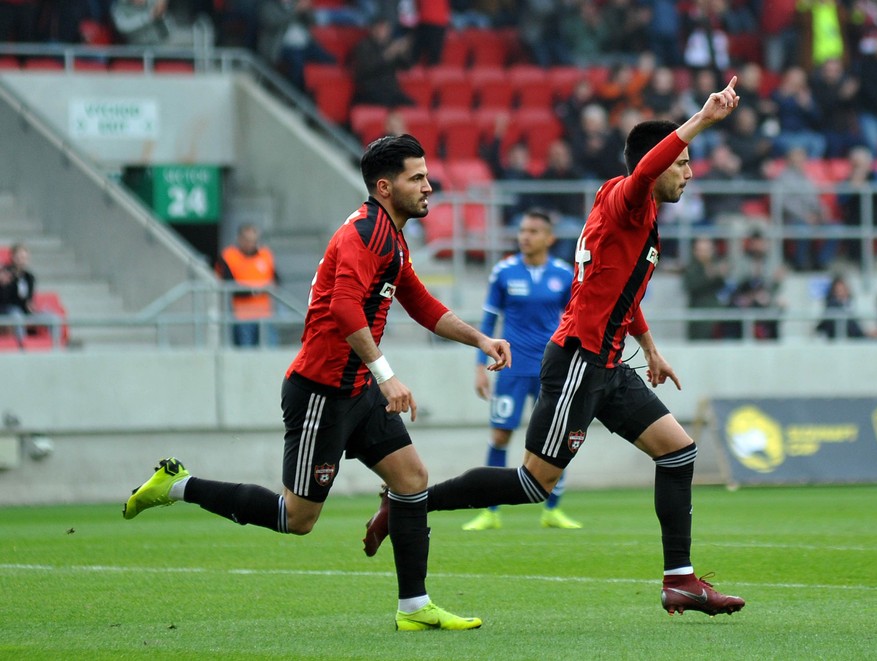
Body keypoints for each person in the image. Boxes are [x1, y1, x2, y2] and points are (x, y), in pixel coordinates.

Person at [363, 77, 747, 617]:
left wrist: (650, 346)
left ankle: (679, 580)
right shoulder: (628, 196)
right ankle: (407, 500)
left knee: (678, 451)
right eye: (683, 164)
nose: (688, 173)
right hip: (579, 361)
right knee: (531, 483)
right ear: (657, 165)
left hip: (610, 363)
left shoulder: (636, 214)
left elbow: (620, 289)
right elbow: (646, 173)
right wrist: (701, 120)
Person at [123, 134, 512, 631]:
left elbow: (421, 304)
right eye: (417, 177)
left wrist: (481, 340)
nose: (429, 186)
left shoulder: (391, 237)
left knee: (412, 481)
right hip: (321, 394)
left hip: (358, 389)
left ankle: (414, 607)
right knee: (297, 518)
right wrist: (388, 377)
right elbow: (342, 307)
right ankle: (177, 485)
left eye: (426, 176)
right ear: (384, 186)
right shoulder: (363, 234)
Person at [464, 210, 582, 532]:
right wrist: (479, 366)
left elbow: (576, 320)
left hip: (551, 370)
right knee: (501, 435)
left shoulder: (563, 274)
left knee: (556, 440)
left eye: (533, 231)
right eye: (522, 230)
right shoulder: (503, 272)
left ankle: (552, 510)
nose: (525, 236)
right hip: (511, 370)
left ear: (549, 238)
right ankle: (491, 511)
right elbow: (488, 322)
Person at [775, 145, 839, 271]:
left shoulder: (807, 178)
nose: (800, 162)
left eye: (802, 159)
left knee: (836, 228)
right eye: (796, 159)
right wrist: (804, 216)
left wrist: (823, 211)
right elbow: (784, 204)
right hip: (792, 220)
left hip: (812, 218)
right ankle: (801, 263)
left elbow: (814, 200)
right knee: (802, 228)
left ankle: (822, 262)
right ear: (789, 160)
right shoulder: (781, 179)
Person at [216, 223, 280, 347]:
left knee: (270, 349)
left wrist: (262, 289)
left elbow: (276, 279)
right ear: (239, 239)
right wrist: (254, 291)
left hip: (265, 314)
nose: (250, 244)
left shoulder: (265, 255)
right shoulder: (229, 256)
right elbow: (228, 284)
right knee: (246, 352)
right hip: (242, 315)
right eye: (247, 240)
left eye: (253, 240)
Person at [349, 14, 414, 108]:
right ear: (372, 29)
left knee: (412, 108)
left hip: (391, 91)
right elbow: (366, 69)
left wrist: (403, 52)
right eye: (380, 28)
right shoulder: (363, 46)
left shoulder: (390, 44)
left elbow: (407, 66)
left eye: (385, 28)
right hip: (370, 91)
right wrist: (388, 54)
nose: (383, 31)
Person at [682, 236, 730, 340]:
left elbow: (724, 287)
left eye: (707, 250)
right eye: (701, 250)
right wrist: (709, 276)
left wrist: (721, 275)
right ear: (695, 251)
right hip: (699, 317)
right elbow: (690, 286)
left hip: (718, 317)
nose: (704, 253)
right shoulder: (691, 268)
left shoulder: (716, 265)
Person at [815, 274, 877, 339]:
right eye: (838, 290)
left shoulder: (848, 305)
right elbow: (850, 328)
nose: (842, 293)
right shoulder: (833, 307)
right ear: (833, 292)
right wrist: (865, 335)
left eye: (843, 289)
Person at [0, 243, 36, 348]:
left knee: (52, 317)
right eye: (19, 257)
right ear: (13, 257)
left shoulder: (29, 277)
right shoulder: (5, 273)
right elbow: (4, 298)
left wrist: (30, 305)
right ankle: (22, 347)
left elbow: (29, 297)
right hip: (7, 309)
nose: (22, 260)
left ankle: (56, 349)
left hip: (24, 309)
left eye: (24, 257)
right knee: (17, 315)